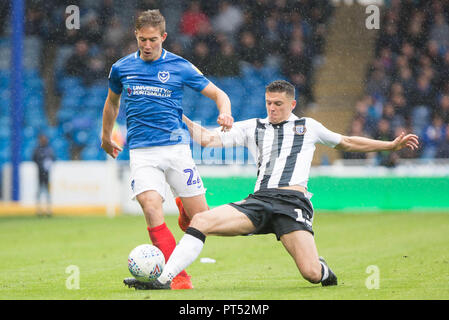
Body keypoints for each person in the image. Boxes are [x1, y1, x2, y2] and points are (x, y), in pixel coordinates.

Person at [123, 80, 419, 290]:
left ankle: (323, 268)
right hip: (258, 202)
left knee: (311, 274)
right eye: (269, 103)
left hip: (292, 205)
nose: (273, 108)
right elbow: (207, 139)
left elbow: (348, 141)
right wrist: (181, 117)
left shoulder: (308, 126)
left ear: (292, 104)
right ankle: (164, 280)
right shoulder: (254, 127)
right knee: (200, 220)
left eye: (278, 104)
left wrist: (390, 146)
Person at [101, 9, 233, 290]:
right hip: (142, 152)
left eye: (152, 40)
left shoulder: (180, 66)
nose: (147, 46)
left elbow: (219, 94)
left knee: (202, 220)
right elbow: (112, 103)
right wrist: (105, 135)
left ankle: (184, 207)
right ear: (135, 35)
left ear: (163, 37)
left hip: (176, 150)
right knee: (150, 207)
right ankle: (176, 276)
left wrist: (225, 112)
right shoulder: (121, 68)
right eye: (142, 40)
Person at [32, 134, 55, 217]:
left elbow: (53, 158)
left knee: (47, 192)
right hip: (40, 173)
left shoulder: (49, 149)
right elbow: (34, 158)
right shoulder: (38, 149)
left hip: (46, 174)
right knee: (39, 192)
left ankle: (48, 210)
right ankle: (39, 210)